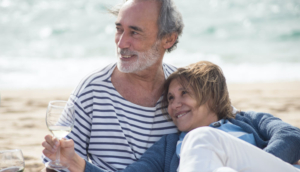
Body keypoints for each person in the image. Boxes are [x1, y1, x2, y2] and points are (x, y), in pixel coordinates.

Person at [43, 61, 300, 172]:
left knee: (200, 139)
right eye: (170, 99)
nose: (175, 105)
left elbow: (291, 134)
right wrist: (77, 164)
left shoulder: (247, 120)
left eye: (184, 93)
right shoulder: (168, 147)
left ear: (209, 95)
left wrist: (259, 164)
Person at [41, 0, 184, 171]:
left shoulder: (184, 90)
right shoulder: (92, 90)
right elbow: (57, 165)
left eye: (134, 32)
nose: (121, 43)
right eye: (119, 29)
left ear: (168, 39)